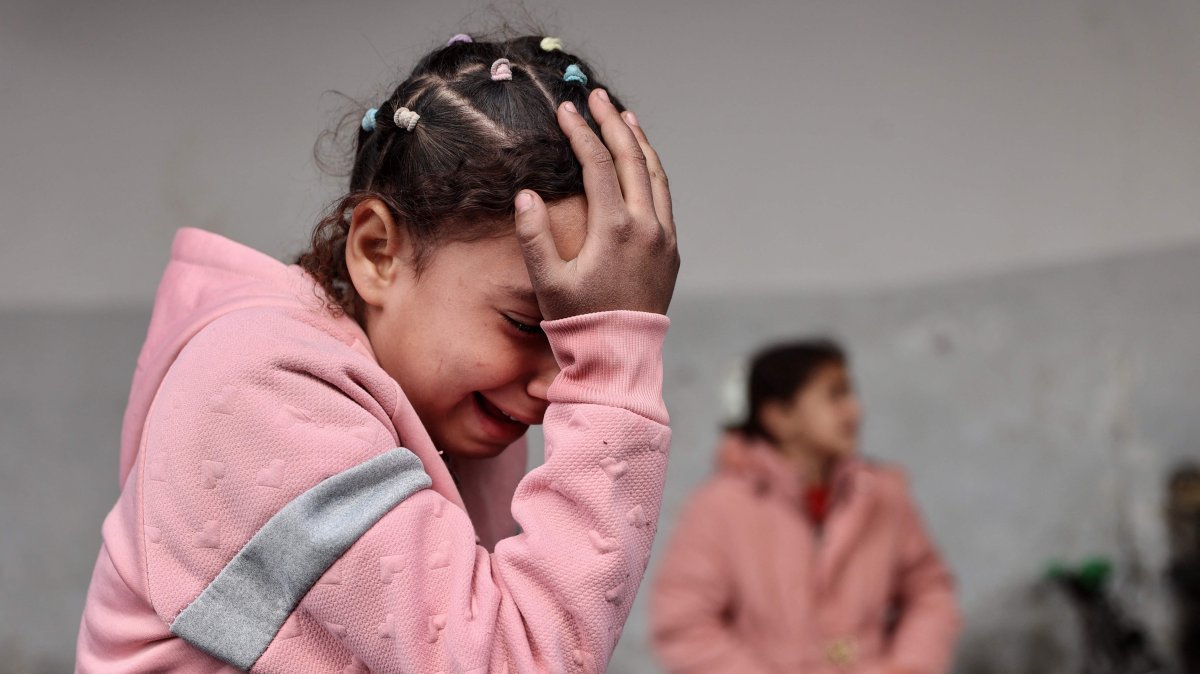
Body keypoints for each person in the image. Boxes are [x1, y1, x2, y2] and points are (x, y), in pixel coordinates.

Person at [76, 32, 679, 673]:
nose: (560, 386)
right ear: (377, 253)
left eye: (577, 343)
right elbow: (518, 659)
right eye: (526, 324)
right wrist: (614, 360)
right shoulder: (260, 389)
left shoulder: (457, 414)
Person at [651, 340, 960, 673]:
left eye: (850, 393)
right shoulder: (717, 508)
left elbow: (929, 592)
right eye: (835, 394)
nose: (854, 409)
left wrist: (910, 666)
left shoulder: (882, 496)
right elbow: (685, 623)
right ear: (779, 417)